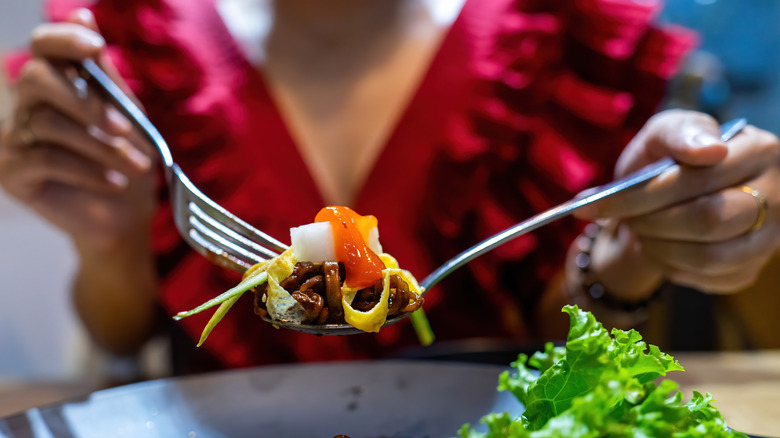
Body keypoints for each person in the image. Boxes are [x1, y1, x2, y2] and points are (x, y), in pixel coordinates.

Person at [0, 0, 778, 374]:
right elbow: (122, 332)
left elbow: (561, 336)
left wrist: (632, 252)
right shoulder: (142, 46)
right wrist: (106, 242)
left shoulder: (559, 38)